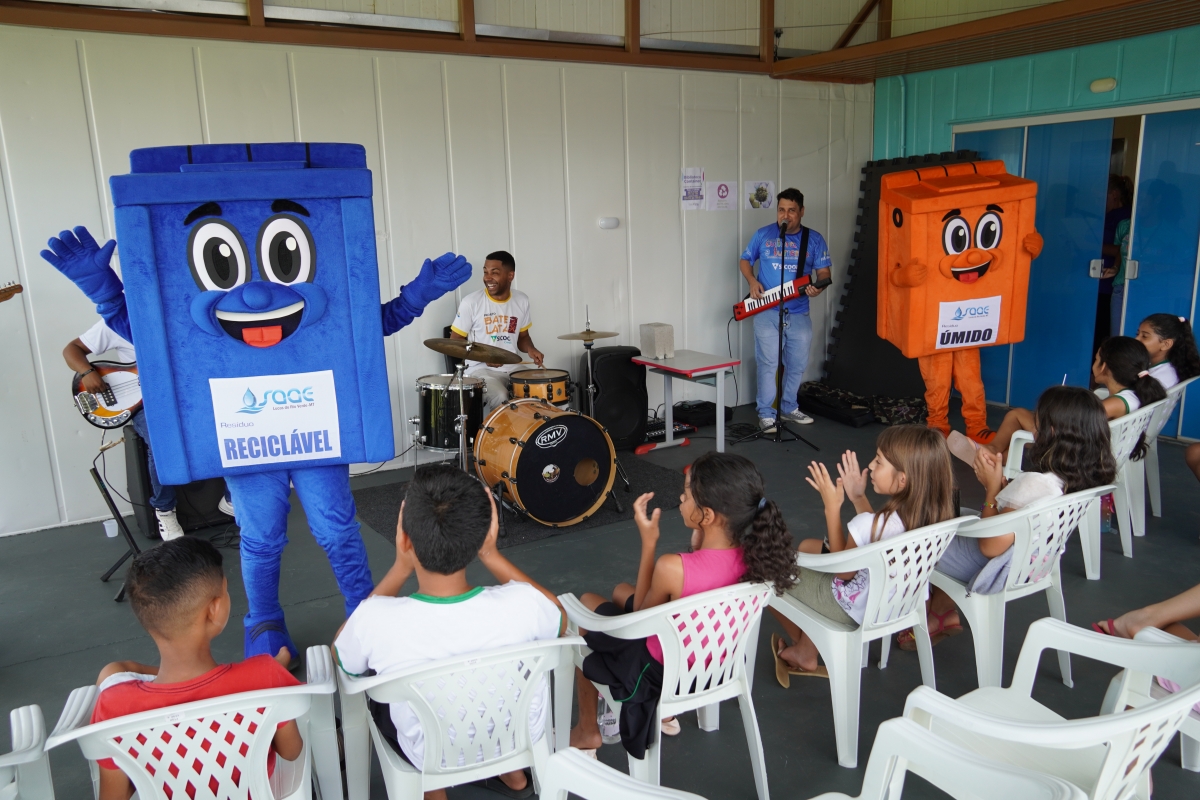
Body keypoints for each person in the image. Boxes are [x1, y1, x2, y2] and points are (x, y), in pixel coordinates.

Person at [333, 465, 563, 800]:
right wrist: (491, 553)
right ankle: (513, 773)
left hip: (430, 752)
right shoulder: (524, 603)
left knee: (379, 687)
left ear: (405, 539)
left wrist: (399, 567)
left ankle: (434, 792)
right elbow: (559, 616)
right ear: (484, 534)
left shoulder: (375, 620)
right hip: (517, 734)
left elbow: (343, 657)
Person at [569, 452, 799, 756]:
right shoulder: (758, 558)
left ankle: (587, 730)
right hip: (714, 664)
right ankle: (665, 716)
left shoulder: (673, 567)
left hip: (658, 672)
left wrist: (648, 543)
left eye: (687, 494)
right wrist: (699, 541)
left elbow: (640, 619)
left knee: (586, 605)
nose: (680, 498)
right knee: (621, 591)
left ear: (708, 515)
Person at [89, 538, 301, 800]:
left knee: (112, 671)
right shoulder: (265, 676)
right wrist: (274, 675)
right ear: (214, 610)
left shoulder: (112, 706)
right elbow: (291, 751)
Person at [906, 387, 1117, 649]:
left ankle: (909, 616)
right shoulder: (1074, 481)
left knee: (911, 525)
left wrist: (991, 489)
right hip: (1032, 563)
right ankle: (943, 613)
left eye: (1038, 422)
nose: (1034, 429)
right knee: (953, 517)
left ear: (1050, 432)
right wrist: (1001, 489)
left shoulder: (1035, 483)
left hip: (993, 568)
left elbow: (990, 546)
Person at [771, 426, 954, 678]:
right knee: (809, 548)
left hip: (852, 608)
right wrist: (858, 497)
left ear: (902, 479)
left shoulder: (871, 524)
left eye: (879, 461)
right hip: (898, 603)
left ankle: (804, 650)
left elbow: (843, 571)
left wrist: (831, 508)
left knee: (766, 572)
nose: (871, 465)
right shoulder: (934, 519)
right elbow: (875, 536)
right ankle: (805, 648)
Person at [964, 336, 1167, 467]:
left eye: (1096, 360)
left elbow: (1074, 422)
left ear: (1105, 367)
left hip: (1079, 452)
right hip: (1093, 446)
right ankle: (993, 453)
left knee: (1019, 423)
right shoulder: (1131, 394)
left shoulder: (1115, 403)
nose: (1094, 364)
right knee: (1018, 417)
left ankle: (992, 455)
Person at [65, 320, 184, 540]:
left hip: (182, 394)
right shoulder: (117, 321)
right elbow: (71, 350)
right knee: (160, 444)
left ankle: (231, 498)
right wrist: (87, 371)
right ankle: (165, 509)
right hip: (142, 403)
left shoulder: (180, 316)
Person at [739, 188, 832, 432]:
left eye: (792, 210)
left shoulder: (814, 239)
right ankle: (766, 413)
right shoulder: (763, 235)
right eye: (781, 210)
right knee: (768, 363)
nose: (786, 215)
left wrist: (818, 287)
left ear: (801, 211)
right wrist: (752, 281)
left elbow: (824, 273)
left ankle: (789, 407)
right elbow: (745, 259)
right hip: (767, 310)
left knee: (796, 363)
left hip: (799, 311)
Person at [450, 250, 545, 413]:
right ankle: (502, 430)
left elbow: (523, 337)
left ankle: (530, 429)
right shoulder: (471, 302)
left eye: (494, 273)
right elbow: (454, 341)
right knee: (501, 396)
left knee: (539, 388)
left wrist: (531, 349)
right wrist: (484, 356)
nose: (487, 278)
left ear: (510, 275)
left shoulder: (521, 300)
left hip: (512, 367)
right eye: (485, 272)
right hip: (479, 369)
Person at [1094, 175, 1133, 351]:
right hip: (1097, 279)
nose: (1099, 202)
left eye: (1101, 196)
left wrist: (1091, 246)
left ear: (1114, 194)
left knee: (1105, 335)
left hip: (1110, 285)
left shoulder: (1125, 218)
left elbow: (1123, 250)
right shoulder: (1106, 216)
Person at [1135, 313, 1200, 390]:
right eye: (1137, 334)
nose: (1136, 339)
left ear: (1166, 344)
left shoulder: (1162, 378)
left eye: (1144, 336)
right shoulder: (1152, 365)